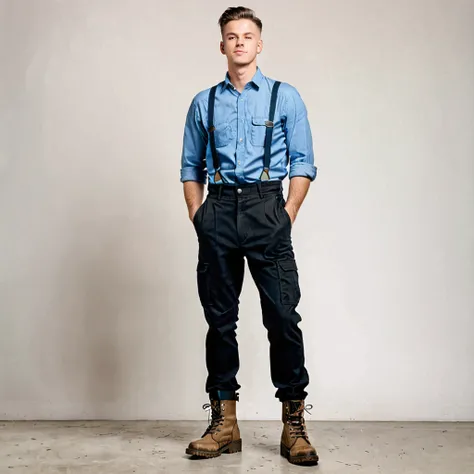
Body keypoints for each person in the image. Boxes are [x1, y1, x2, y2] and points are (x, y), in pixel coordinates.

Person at [180, 6, 319, 466]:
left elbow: (303, 163)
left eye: (247, 35)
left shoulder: (286, 97)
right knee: (220, 321)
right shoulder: (204, 102)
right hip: (218, 209)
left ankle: (293, 425)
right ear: (222, 45)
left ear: (260, 44)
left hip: (266, 207)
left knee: (282, 315)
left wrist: (288, 212)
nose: (240, 42)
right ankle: (225, 423)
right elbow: (189, 168)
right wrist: (199, 216)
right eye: (232, 36)